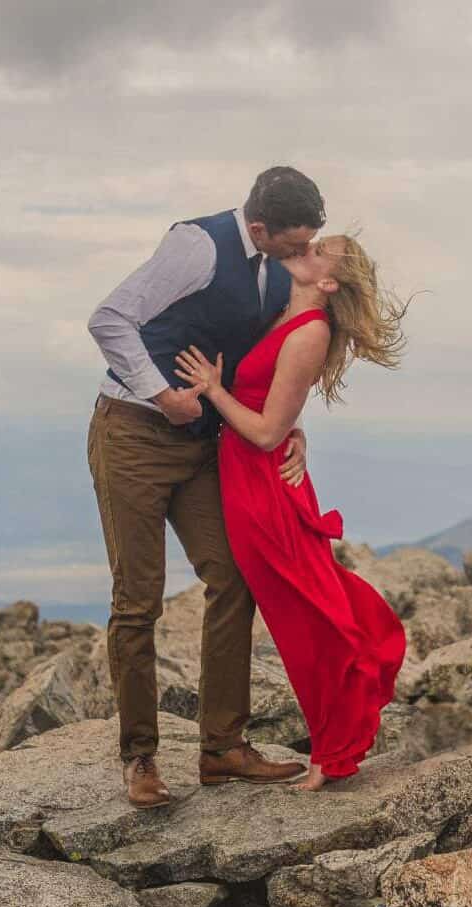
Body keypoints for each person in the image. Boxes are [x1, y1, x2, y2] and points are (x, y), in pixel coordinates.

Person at [87, 167, 327, 809]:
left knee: (235, 576)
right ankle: (140, 758)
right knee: (138, 600)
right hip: (134, 434)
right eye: (294, 245)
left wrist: (291, 427)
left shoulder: (280, 272)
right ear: (257, 229)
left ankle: (222, 748)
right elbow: (109, 319)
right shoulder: (196, 245)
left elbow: (260, 363)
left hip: (202, 446)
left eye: (311, 243)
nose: (304, 257)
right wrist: (163, 396)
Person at [174, 234, 409, 790]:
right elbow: (277, 412)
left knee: (305, 618)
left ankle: (333, 753)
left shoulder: (311, 331)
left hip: (264, 489)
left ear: (327, 282)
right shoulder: (285, 311)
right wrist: (293, 428)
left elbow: (263, 431)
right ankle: (334, 745)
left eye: (319, 250)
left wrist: (211, 389)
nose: (306, 247)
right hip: (252, 481)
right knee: (303, 612)